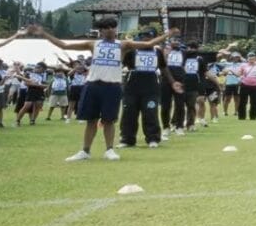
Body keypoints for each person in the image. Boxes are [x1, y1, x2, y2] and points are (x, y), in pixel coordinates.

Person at [29, 20, 175, 161]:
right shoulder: (93, 44)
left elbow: (149, 43)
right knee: (91, 120)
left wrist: (167, 35)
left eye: (113, 26)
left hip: (112, 86)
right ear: (101, 31)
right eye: (107, 27)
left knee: (109, 120)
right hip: (93, 85)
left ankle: (109, 150)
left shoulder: (124, 44)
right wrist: (44, 34)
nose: (111, 29)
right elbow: (64, 45)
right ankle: (85, 150)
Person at [119, 27, 179, 148]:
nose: (145, 39)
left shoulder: (157, 52)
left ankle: (153, 138)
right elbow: (120, 63)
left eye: (148, 36)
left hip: (151, 87)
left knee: (150, 113)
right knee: (129, 113)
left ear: (154, 38)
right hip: (132, 87)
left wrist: (172, 82)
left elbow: (164, 68)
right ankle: (127, 139)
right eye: (142, 36)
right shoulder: (132, 51)